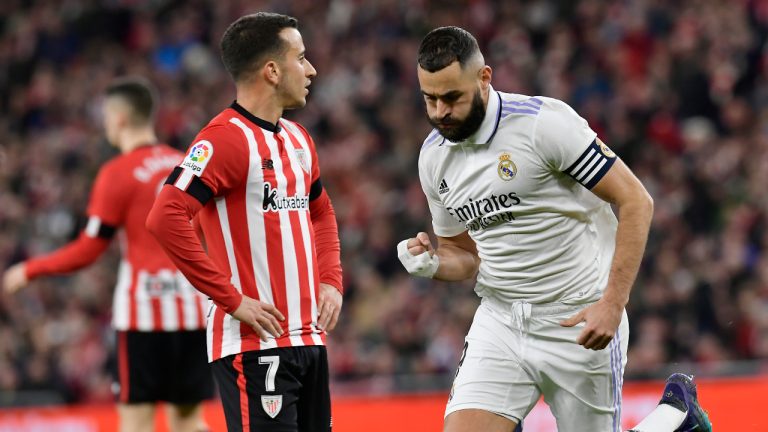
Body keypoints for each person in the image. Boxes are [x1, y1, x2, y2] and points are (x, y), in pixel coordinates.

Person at [396, 25, 708, 432]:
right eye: (430, 99)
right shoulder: (433, 158)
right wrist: (433, 263)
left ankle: (676, 419)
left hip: (578, 320)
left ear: (484, 78)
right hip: (501, 320)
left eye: (452, 97)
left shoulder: (543, 125)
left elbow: (636, 201)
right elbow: (464, 255)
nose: (440, 113)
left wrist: (612, 304)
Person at [146, 12, 343, 432]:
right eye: (301, 58)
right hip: (253, 347)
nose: (311, 69)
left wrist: (331, 280)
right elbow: (165, 216)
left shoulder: (298, 139)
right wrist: (231, 300)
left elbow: (321, 211)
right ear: (272, 70)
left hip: (308, 339)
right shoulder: (223, 139)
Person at [2, 77, 213, 432]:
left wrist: (30, 270)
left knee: (135, 423)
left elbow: (88, 250)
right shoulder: (186, 165)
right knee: (190, 421)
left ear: (118, 119)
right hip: (193, 311)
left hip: (142, 315)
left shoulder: (116, 174)